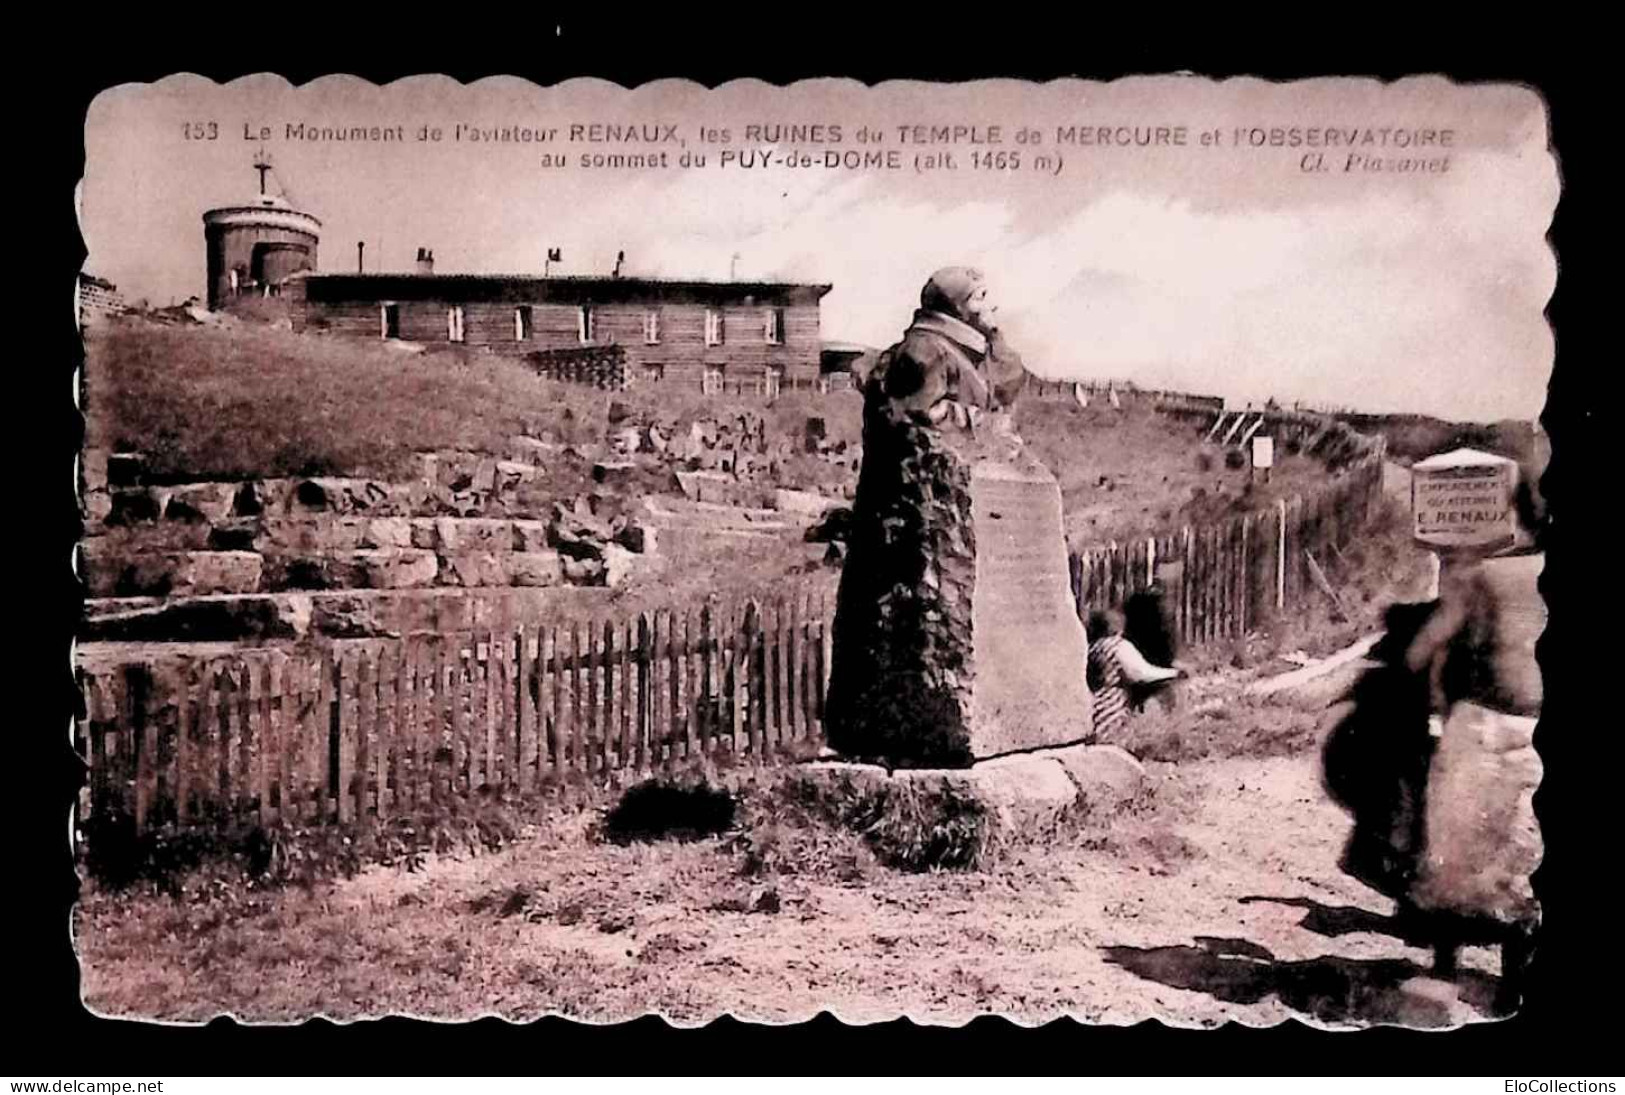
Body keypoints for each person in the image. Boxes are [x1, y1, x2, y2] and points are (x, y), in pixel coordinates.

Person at [865, 266, 1029, 429]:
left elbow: (1006, 389)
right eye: (981, 297)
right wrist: (984, 423)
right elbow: (920, 417)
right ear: (956, 306)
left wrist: (994, 335)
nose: (992, 306)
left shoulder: (956, 348)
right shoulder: (925, 349)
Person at [1086, 609, 1180, 737]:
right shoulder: (1118, 646)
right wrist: (1174, 674)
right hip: (1113, 709)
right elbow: (1140, 673)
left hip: (1093, 708)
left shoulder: (1091, 648)